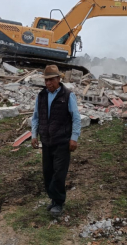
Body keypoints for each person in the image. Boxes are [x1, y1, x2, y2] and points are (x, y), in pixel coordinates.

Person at [31, 65, 81, 216]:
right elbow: (36, 117)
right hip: (46, 141)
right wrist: (34, 135)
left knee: (59, 173)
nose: (48, 83)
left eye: (51, 80)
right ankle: (53, 199)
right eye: (46, 80)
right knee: (48, 172)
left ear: (59, 79)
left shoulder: (67, 95)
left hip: (62, 141)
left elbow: (76, 118)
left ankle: (58, 202)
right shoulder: (41, 96)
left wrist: (74, 138)